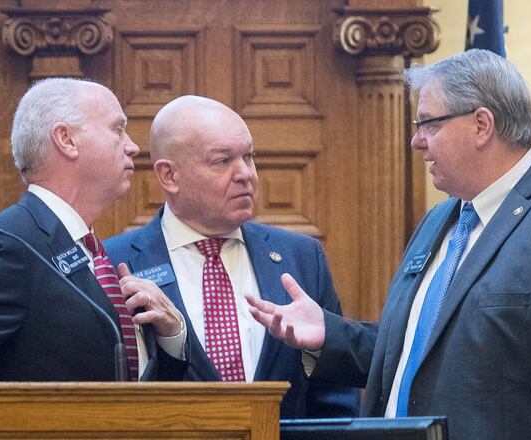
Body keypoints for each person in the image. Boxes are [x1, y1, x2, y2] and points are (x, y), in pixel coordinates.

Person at [248, 49, 531, 439]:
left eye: (429, 124)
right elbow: (420, 358)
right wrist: (329, 336)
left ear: (481, 125)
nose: (416, 141)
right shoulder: (440, 220)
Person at [0, 78, 187, 382]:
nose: (133, 147)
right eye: (116, 129)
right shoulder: (7, 244)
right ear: (66, 139)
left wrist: (171, 335)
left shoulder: (93, 251)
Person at [104, 95, 359, 418]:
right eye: (222, 161)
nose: (246, 174)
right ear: (169, 176)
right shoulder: (114, 263)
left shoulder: (302, 256)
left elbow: (335, 397)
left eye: (248, 157)